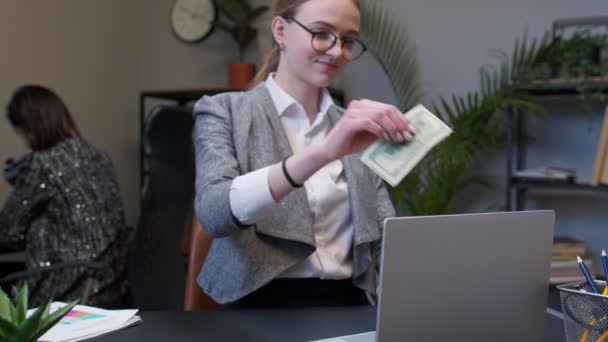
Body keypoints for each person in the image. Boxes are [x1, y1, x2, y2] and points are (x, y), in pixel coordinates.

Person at [193, 0, 416, 308]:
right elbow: (214, 213)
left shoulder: (355, 125)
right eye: (322, 33)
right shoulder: (223, 111)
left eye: (348, 40)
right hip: (255, 308)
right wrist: (323, 152)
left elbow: (384, 236)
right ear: (280, 30)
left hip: (349, 305)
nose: (337, 51)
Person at [0, 85, 129, 308]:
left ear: (30, 129)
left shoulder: (42, 164)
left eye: (21, 133)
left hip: (64, 292)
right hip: (111, 287)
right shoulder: (99, 156)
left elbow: (7, 233)